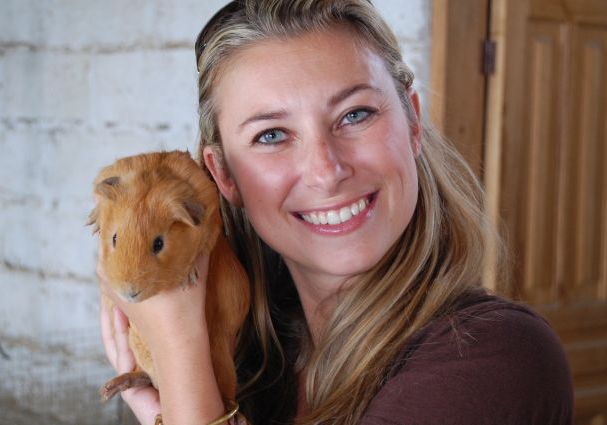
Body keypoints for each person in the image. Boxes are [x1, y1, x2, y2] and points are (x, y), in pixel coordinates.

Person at [98, 1, 574, 424]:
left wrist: (180, 357)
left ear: (412, 123)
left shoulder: (494, 358)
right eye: (271, 135)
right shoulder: (260, 354)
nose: (326, 172)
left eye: (355, 115)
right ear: (224, 177)